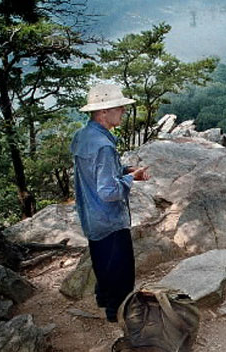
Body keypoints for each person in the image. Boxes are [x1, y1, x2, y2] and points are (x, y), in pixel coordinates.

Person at [70, 84, 150, 322]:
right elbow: (108, 191)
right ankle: (121, 315)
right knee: (122, 273)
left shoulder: (83, 136)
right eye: (119, 107)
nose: (123, 111)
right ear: (102, 112)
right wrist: (130, 178)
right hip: (109, 218)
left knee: (102, 263)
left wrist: (124, 169)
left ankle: (103, 299)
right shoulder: (104, 145)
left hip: (91, 217)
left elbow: (93, 173)